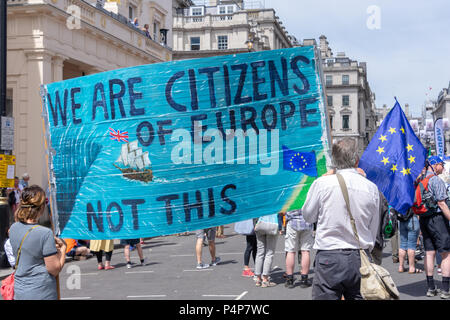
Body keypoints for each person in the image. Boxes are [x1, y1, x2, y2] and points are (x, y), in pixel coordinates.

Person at [302, 138, 380, 300]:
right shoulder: (370, 187)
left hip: (329, 255)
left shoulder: (322, 183)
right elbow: (373, 228)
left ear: (334, 160)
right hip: (359, 255)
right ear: (357, 160)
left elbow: (308, 216)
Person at [9, 185, 67, 300]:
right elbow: (54, 269)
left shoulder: (13, 228)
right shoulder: (44, 233)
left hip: (20, 291)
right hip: (41, 291)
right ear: (41, 207)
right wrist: (63, 249)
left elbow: (29, 251)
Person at [416, 156, 450, 299]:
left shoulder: (419, 180)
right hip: (437, 219)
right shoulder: (436, 180)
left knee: (429, 252)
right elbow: (442, 204)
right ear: (435, 165)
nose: (443, 167)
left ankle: (431, 288)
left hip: (424, 219)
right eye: (441, 164)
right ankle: (446, 289)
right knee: (446, 254)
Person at [283, 209, 313, 288]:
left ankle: (290, 280)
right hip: (307, 221)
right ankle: (304, 279)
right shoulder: (307, 195)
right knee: (305, 251)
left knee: (290, 251)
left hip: (292, 222)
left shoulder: (290, 195)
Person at [254, 214, 279, 288]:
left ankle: (258, 278)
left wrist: (254, 223)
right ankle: (265, 279)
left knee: (260, 252)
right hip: (272, 224)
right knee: (269, 253)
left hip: (260, 223)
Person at [397, 208, 422, 274]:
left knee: (403, 244)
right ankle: (412, 268)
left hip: (401, 219)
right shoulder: (411, 197)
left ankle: (401, 267)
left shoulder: (398, 197)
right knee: (411, 245)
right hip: (412, 219)